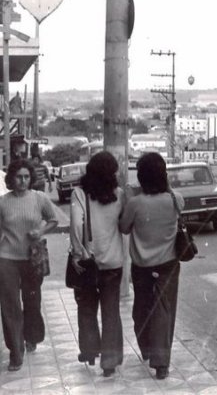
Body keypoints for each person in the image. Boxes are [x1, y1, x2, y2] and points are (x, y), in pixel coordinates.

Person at [119, 152, 182, 380]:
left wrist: (131, 195)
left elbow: (124, 228)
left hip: (142, 266)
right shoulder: (175, 200)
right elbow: (170, 193)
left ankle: (146, 349)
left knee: (141, 309)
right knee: (164, 312)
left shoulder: (135, 203)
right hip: (168, 264)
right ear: (163, 175)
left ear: (142, 176)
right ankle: (161, 363)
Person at [69, 151, 124, 377]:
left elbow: (76, 225)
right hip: (113, 261)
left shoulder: (79, 194)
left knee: (86, 308)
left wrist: (77, 253)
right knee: (111, 311)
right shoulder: (119, 194)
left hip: (88, 262)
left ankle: (90, 351)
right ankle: (109, 363)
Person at [0, 158, 58, 372]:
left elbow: (53, 220)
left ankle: (31, 336)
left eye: (26, 177)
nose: (23, 181)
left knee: (32, 301)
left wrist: (40, 232)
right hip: (6, 259)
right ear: (11, 178)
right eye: (18, 177)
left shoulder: (39, 198)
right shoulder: (3, 202)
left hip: (32, 258)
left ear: (31, 178)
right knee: (9, 305)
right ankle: (16, 352)